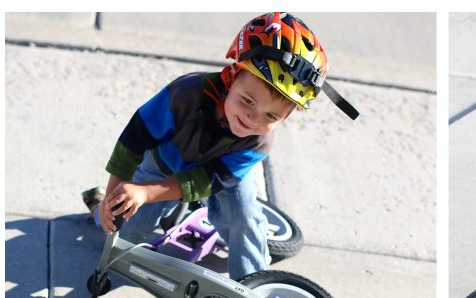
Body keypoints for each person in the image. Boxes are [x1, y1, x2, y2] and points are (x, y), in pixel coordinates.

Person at [81, 12, 358, 280]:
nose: (252, 119)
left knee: (244, 217)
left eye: (271, 116)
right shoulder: (184, 94)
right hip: (166, 164)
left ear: (286, 117)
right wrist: (111, 196)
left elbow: (208, 180)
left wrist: (145, 193)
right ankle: (96, 206)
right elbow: (133, 140)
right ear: (232, 74)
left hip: (222, 176)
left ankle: (255, 287)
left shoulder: (260, 142)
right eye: (247, 100)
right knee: (121, 226)